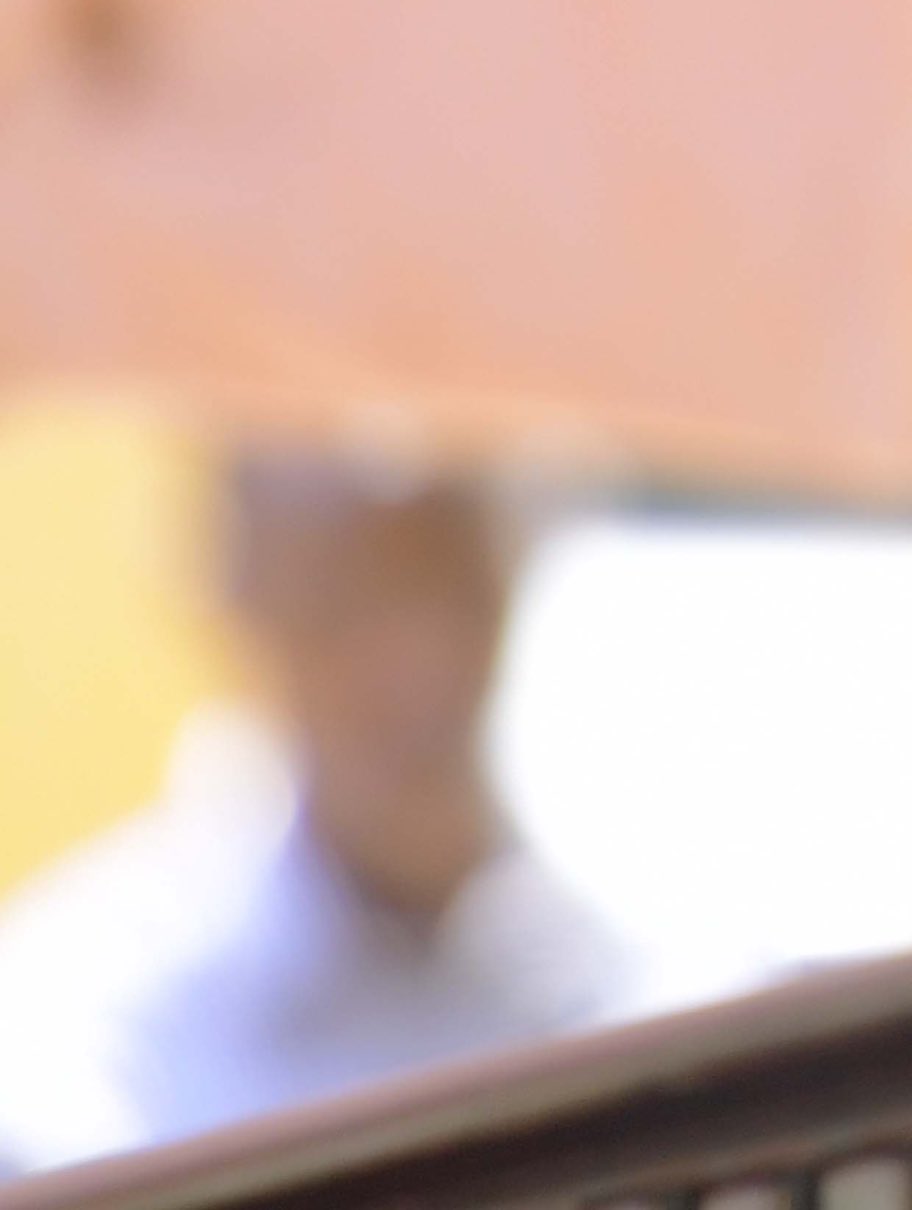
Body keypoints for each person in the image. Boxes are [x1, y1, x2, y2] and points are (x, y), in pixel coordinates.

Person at [0, 451, 639, 1170]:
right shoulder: (79, 1030)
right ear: (245, 606)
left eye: (448, 578)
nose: (417, 663)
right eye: (347, 601)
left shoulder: (646, 944)